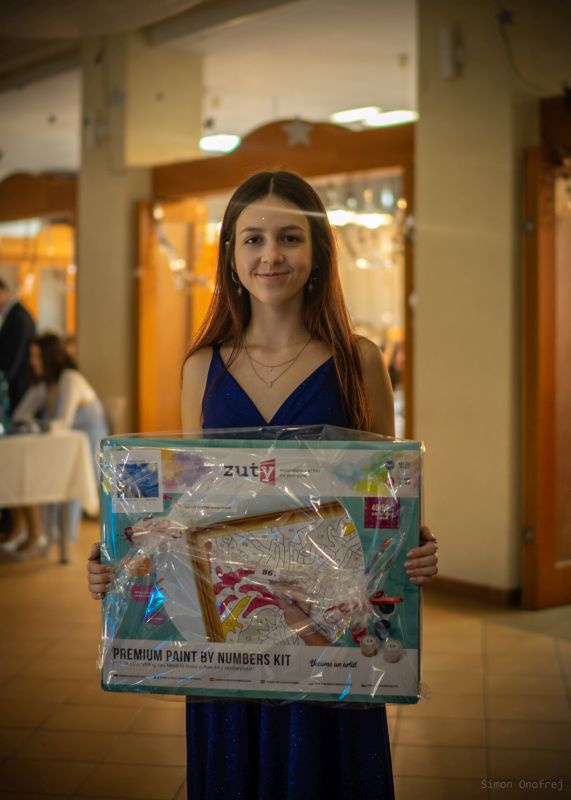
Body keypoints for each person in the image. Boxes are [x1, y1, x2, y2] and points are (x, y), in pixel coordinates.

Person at [87, 171, 438, 800]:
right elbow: (186, 512)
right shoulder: (202, 367)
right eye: (253, 239)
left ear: (318, 251)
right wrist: (117, 557)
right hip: (229, 632)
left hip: (326, 633)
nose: (270, 255)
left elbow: (386, 499)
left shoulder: (358, 360)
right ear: (231, 253)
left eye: (289, 238)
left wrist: (413, 545)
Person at [1, 333, 108, 556]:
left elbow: (62, 423)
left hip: (90, 446)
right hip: (66, 446)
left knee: (53, 471)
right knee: (32, 468)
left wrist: (34, 424)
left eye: (36, 356)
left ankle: (57, 537)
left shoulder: (70, 379)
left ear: (49, 357)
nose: (32, 361)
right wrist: (29, 422)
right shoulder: (47, 385)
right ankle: (36, 533)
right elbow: (20, 416)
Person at [0, 276, 36, 411]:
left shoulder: (18, 317)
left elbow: (14, 357)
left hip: (20, 386)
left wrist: (3, 380)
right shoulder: (14, 314)